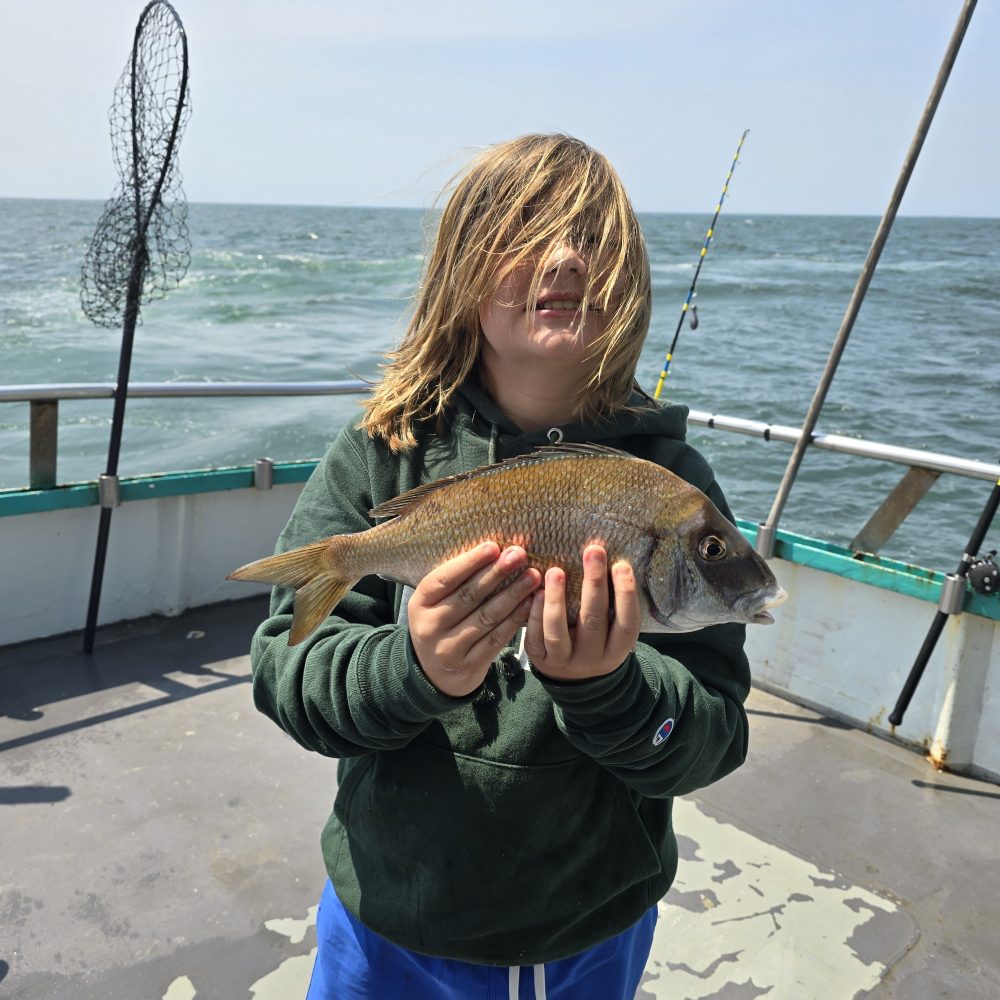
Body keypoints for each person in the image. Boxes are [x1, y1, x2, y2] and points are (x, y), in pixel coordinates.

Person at [248, 133, 751, 999]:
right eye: (527, 229)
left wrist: (612, 690)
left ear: (629, 281)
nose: (563, 255)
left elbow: (709, 738)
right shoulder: (384, 452)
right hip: (389, 919)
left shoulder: (675, 486)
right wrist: (415, 668)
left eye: (593, 237)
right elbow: (288, 676)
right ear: (460, 271)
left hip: (589, 929)